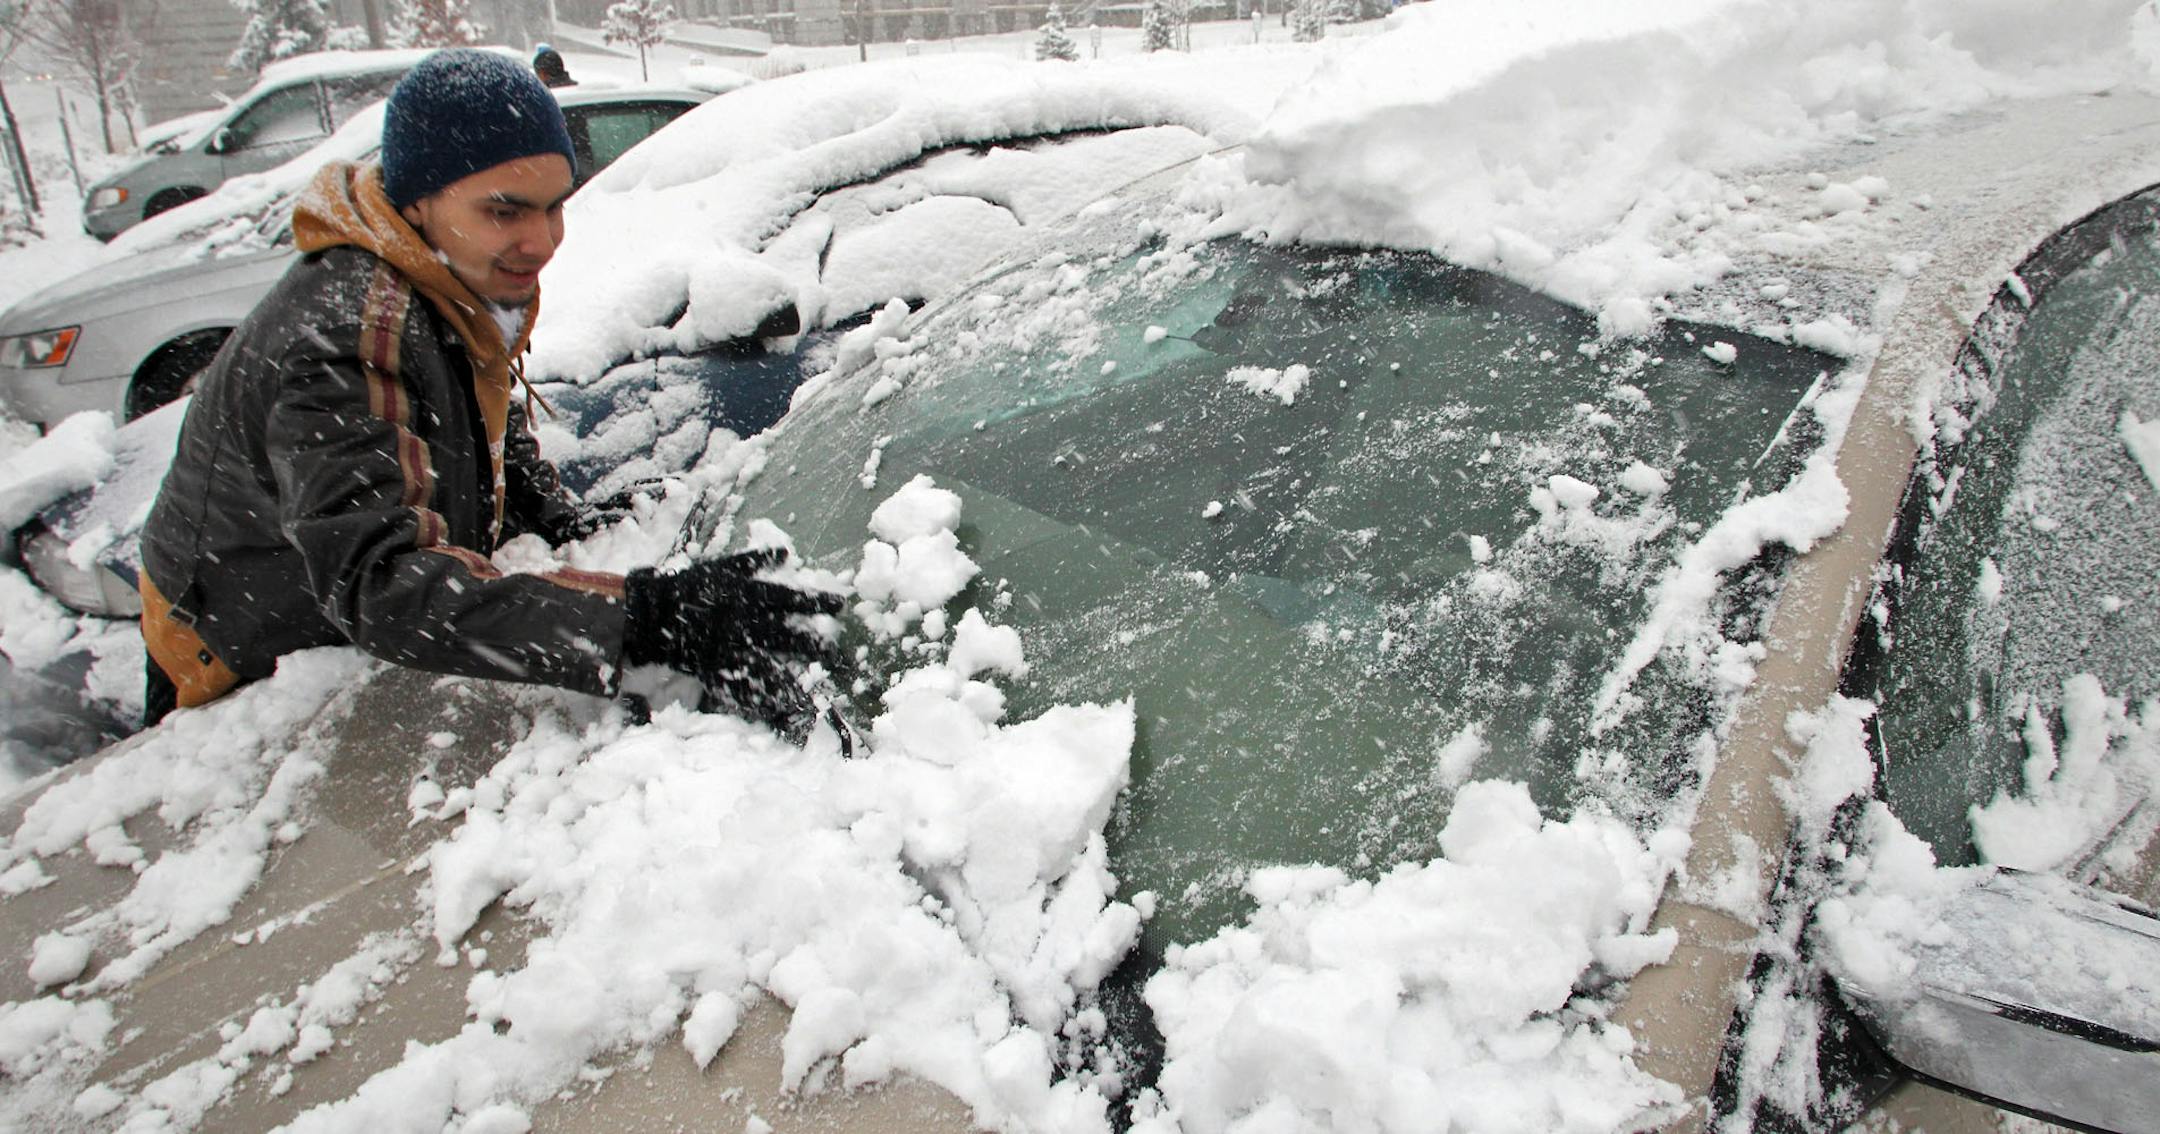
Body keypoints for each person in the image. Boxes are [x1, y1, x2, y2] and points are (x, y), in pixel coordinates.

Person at [137, 49, 836, 729]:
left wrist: (553, 517)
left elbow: (483, 422)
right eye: (505, 210)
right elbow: (378, 584)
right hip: (239, 638)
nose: (542, 241)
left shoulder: (453, 270)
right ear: (418, 201)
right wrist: (644, 619)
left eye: (553, 206)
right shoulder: (351, 335)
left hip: (328, 604)